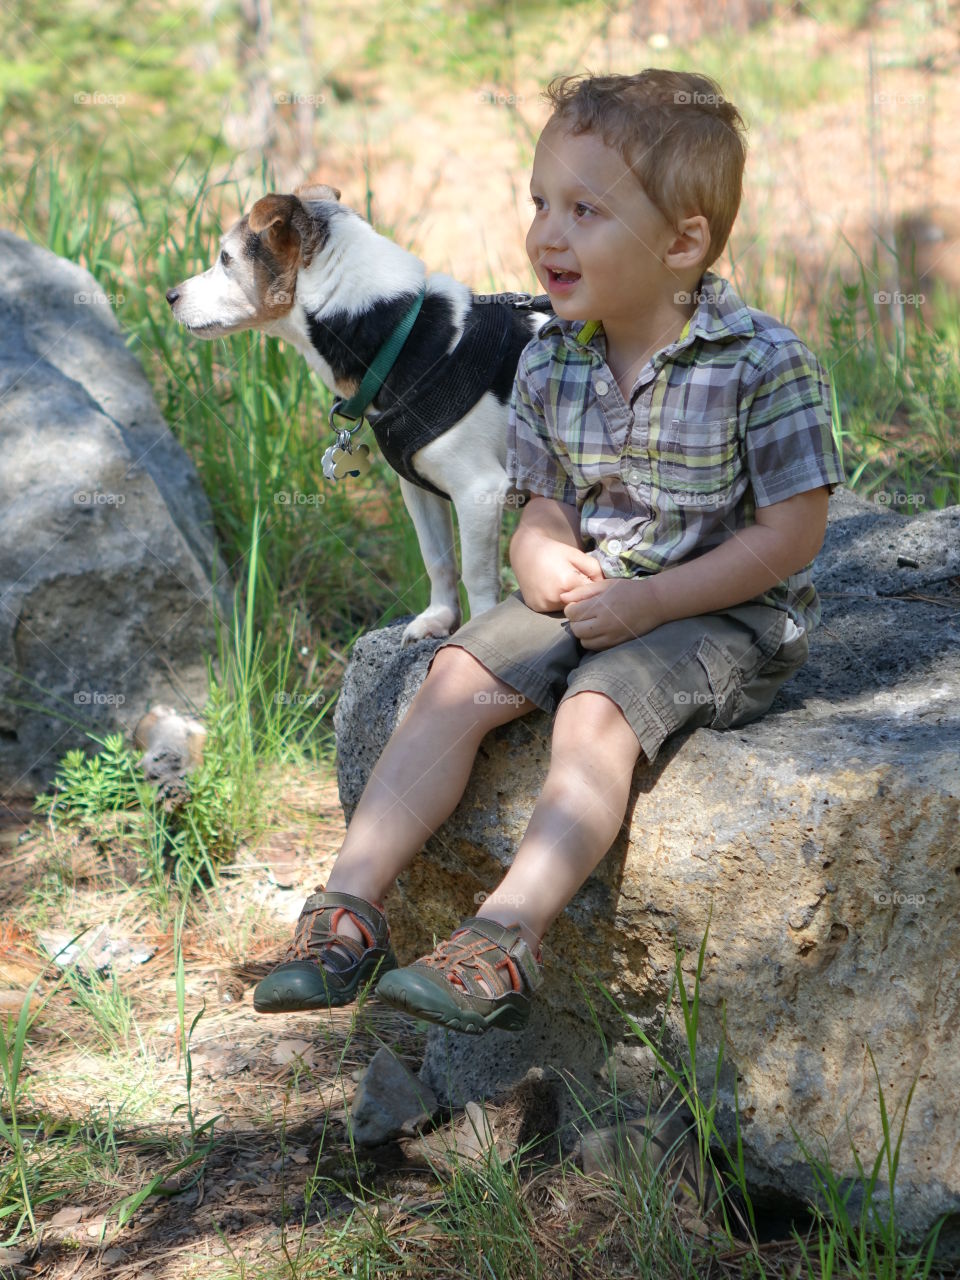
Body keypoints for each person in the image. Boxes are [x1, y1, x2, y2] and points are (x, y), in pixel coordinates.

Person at [253, 68, 846, 1035]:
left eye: (583, 210)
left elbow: (792, 537)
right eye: (538, 203)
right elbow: (544, 500)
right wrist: (538, 548)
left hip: (726, 611)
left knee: (598, 707)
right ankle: (347, 913)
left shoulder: (764, 365)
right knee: (458, 675)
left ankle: (504, 939)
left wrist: (653, 605)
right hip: (593, 584)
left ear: (683, 242)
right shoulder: (548, 355)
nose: (546, 235)